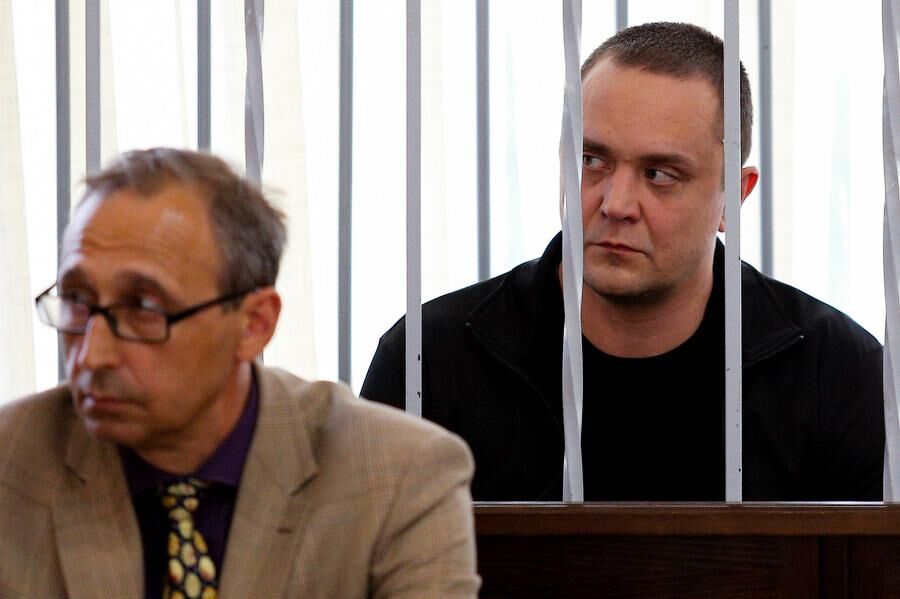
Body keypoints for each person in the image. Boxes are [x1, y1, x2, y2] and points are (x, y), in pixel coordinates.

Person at [361, 22, 884, 502]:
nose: (616, 204)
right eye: (592, 160)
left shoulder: (838, 374)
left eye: (659, 174)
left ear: (734, 198)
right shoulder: (428, 361)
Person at [0, 148, 479, 598]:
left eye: (144, 307)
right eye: (78, 301)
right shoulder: (13, 463)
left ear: (254, 325)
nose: (91, 356)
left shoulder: (399, 475)